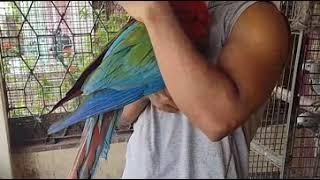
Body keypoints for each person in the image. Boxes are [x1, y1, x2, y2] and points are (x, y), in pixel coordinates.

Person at [117, 1, 290, 179]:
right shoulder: (158, 11)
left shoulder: (259, 18)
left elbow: (217, 120)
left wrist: (154, 12)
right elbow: (120, 117)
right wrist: (148, 88)